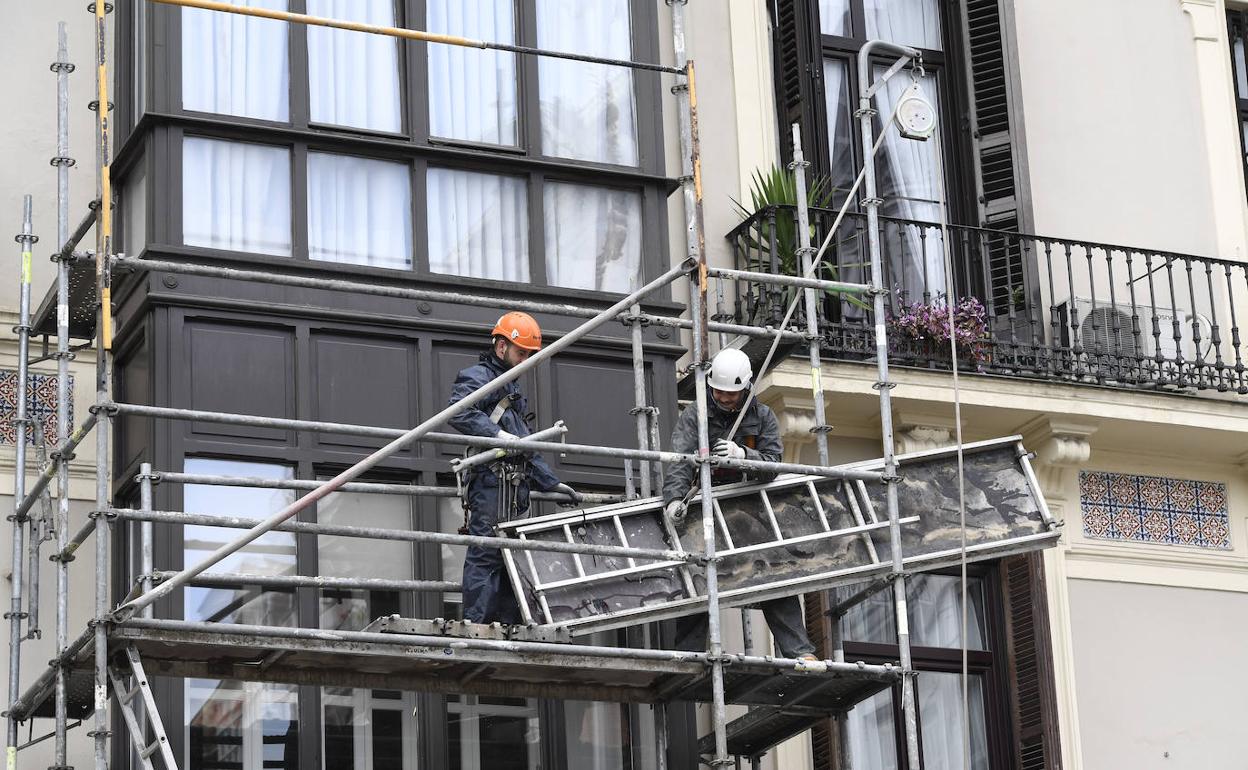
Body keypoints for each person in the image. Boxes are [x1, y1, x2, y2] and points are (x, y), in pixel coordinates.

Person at [661, 348, 817, 660]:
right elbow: (679, 461)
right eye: (718, 391)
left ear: (745, 387)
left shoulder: (762, 418)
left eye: (730, 393)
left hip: (750, 505)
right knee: (698, 576)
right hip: (706, 504)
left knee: (774, 570)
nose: (724, 398)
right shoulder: (696, 415)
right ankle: (688, 653)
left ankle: (799, 650)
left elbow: (774, 464)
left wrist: (744, 456)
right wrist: (675, 499)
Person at [448, 311, 581, 624]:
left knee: (513, 557)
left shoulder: (510, 390)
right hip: (492, 485)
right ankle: (477, 626)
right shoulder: (478, 378)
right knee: (488, 552)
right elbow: (459, 412)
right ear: (501, 348)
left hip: (515, 487)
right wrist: (497, 435)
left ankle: (509, 626)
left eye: (528, 356)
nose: (524, 361)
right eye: (521, 353)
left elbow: (523, 445)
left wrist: (550, 483)